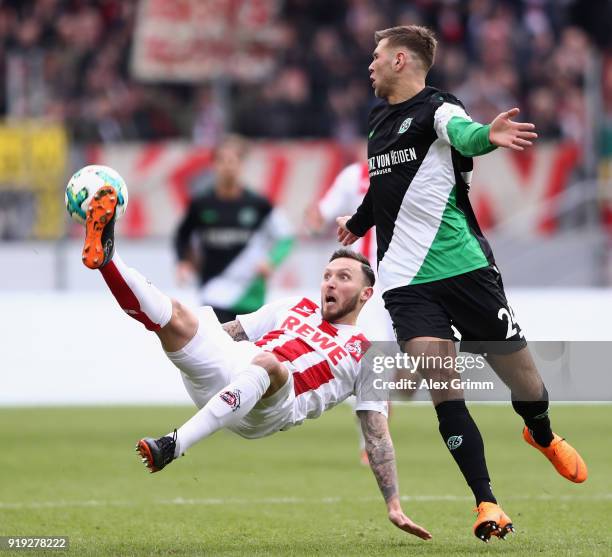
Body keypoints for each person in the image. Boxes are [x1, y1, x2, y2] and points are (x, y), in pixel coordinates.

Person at [336, 25, 587, 542]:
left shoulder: (439, 108)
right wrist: (360, 222)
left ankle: (540, 433)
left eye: (377, 56)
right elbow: (385, 185)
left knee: (527, 386)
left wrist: (488, 137)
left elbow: (465, 133)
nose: (370, 64)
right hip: (405, 281)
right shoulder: (376, 120)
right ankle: (487, 503)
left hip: (465, 269)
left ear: (402, 60)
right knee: (442, 388)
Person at [79, 184, 432, 541]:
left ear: (365, 294)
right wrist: (197, 339)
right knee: (176, 316)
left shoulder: (367, 352)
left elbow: (377, 432)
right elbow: (232, 331)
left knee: (270, 363)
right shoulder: (297, 306)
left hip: (274, 405)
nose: (330, 283)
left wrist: (394, 505)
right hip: (234, 372)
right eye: (327, 275)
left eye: (343, 278)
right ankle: (107, 256)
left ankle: (173, 444)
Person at [306, 159, 403, 465]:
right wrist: (314, 219)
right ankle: (370, 444)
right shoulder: (356, 175)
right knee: (372, 360)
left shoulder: (420, 167)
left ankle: (375, 401)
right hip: (370, 289)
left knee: (403, 373)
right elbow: (321, 211)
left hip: (411, 283)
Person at [175, 135, 294, 323]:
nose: (228, 166)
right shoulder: (201, 204)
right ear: (213, 165)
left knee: (248, 350)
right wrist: (182, 261)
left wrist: (271, 261)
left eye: (233, 160)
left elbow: (286, 236)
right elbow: (182, 235)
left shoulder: (259, 204)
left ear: (241, 164)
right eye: (222, 160)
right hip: (213, 289)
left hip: (249, 293)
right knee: (216, 348)